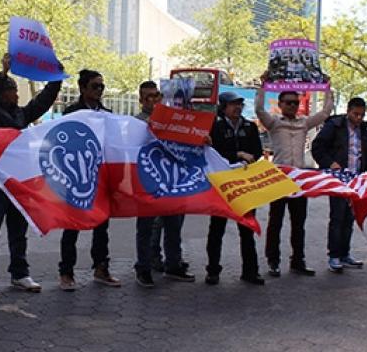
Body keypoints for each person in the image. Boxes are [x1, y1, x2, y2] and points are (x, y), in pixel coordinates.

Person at [0, 53, 61, 297]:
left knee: (18, 232)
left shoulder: (21, 114)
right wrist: (2, 74)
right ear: (4, 93)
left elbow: (42, 102)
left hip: (19, 184)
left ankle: (20, 273)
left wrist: (56, 79)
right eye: (13, 90)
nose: (18, 95)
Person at [256, 71, 333, 277]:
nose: (292, 105)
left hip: (299, 180)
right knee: (276, 222)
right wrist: (263, 85)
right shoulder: (273, 123)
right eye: (288, 102)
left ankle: (298, 261)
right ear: (280, 104)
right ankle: (273, 261)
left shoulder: (304, 123)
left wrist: (327, 88)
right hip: (279, 178)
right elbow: (258, 109)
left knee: (299, 224)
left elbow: (325, 112)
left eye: (295, 102)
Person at [56, 69, 120, 291]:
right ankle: (66, 273)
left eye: (102, 86)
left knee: (102, 226)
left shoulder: (107, 114)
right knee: (71, 225)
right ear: (82, 88)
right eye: (95, 86)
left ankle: (101, 268)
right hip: (76, 177)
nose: (99, 90)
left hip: (100, 179)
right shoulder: (71, 112)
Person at [134, 81, 195, 288]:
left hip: (172, 181)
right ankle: (143, 268)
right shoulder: (135, 123)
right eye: (148, 97)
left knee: (174, 225)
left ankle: (173, 264)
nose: (153, 100)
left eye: (156, 95)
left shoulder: (172, 120)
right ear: (141, 100)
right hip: (149, 182)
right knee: (146, 228)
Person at [311, 97, 367, 273]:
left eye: (361, 115)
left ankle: (344, 254)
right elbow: (317, 147)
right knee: (337, 217)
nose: (358, 118)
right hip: (338, 179)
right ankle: (333, 256)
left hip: (356, 180)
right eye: (355, 114)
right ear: (348, 111)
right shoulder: (334, 126)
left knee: (349, 218)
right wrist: (330, 163)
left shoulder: (364, 131)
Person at [205, 91, 264, 286]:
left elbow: (257, 151)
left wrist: (249, 157)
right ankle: (213, 270)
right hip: (222, 184)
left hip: (244, 185)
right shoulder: (215, 126)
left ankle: (250, 271)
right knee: (217, 229)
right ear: (223, 107)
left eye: (239, 104)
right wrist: (237, 154)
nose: (237, 108)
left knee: (247, 228)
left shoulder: (250, 126)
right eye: (233, 104)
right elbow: (212, 153)